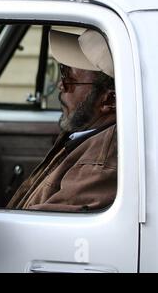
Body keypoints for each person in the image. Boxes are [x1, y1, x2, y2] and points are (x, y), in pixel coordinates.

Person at [7, 29, 116, 212]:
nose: (60, 84)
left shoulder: (97, 166)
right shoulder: (87, 134)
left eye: (69, 77)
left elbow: (39, 230)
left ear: (108, 100)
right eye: (62, 71)